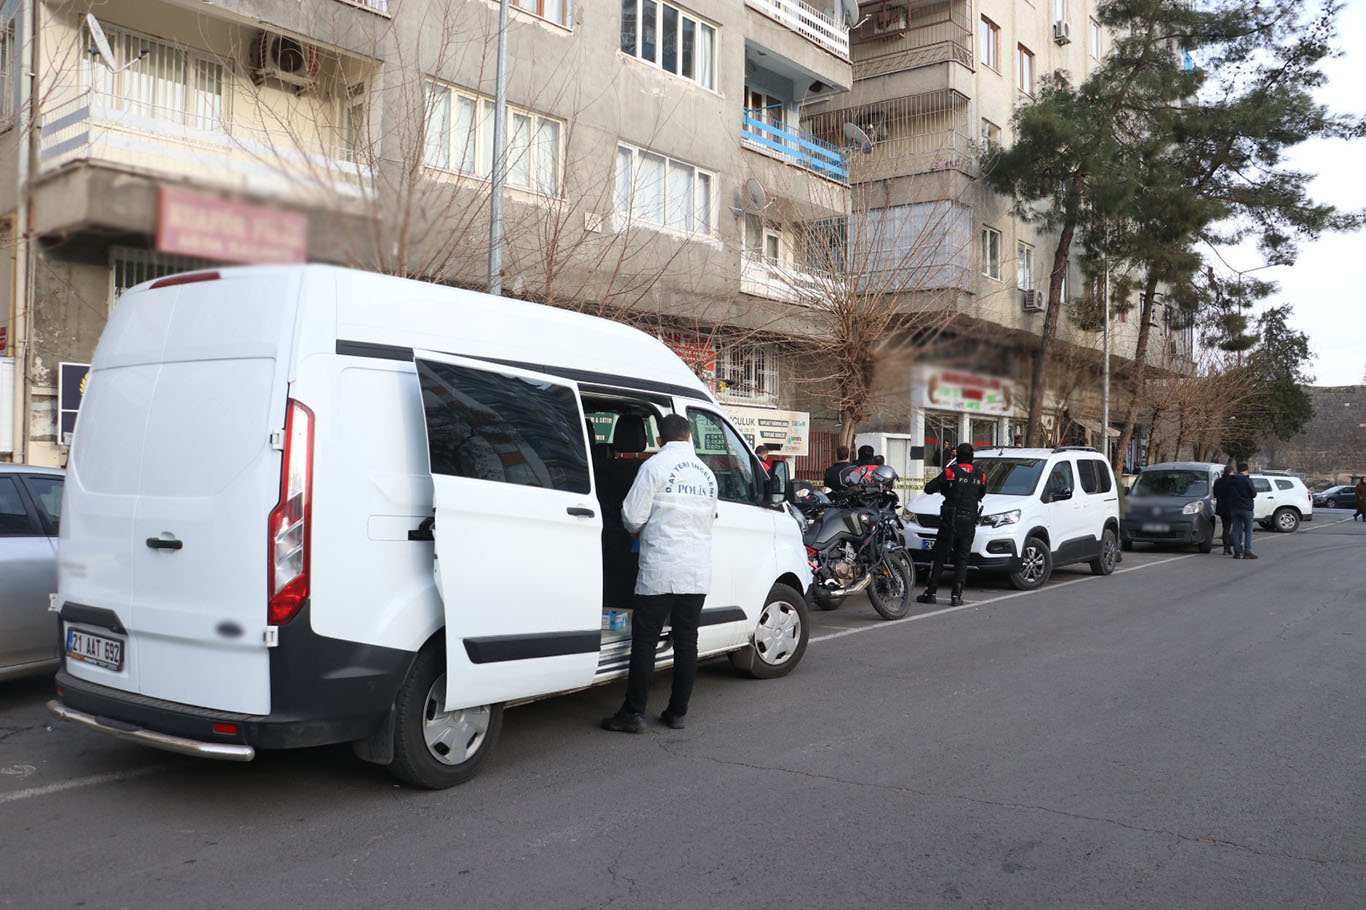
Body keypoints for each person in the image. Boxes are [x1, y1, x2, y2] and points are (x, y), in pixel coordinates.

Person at [602, 414, 718, 734]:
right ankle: (677, 712)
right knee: (686, 642)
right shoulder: (707, 473)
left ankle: (633, 713)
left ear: (659, 439)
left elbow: (632, 515)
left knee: (645, 642)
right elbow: (711, 517)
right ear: (689, 437)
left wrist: (637, 531)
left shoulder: (653, 467)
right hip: (696, 570)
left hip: (661, 568)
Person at [916, 442, 986, 607]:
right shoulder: (980, 475)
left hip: (950, 520)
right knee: (962, 559)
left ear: (957, 456)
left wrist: (946, 490)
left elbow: (929, 488)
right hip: (969, 521)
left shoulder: (950, 472)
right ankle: (956, 596)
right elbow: (982, 493)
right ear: (972, 457)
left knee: (939, 556)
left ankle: (930, 593)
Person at [1227, 463, 1258, 559]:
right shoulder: (1247, 480)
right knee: (1248, 530)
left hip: (1234, 507)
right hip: (1246, 508)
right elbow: (1253, 493)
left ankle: (1237, 551)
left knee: (1236, 530)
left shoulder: (1231, 480)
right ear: (1246, 470)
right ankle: (1247, 552)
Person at [1211, 464, 1236, 555]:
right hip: (1232, 507)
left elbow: (1215, 494)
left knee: (1225, 528)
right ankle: (1235, 548)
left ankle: (1226, 548)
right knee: (1235, 528)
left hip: (1221, 507)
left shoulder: (1218, 482)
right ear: (1231, 472)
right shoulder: (1233, 481)